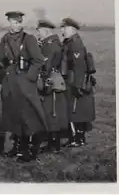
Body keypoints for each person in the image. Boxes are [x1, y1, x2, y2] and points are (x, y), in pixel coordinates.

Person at [0, 11, 47, 162]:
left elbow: (38, 60)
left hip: (24, 82)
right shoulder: (4, 39)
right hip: (10, 81)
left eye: (18, 22)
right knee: (13, 115)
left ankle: (30, 149)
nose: (16, 25)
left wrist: (29, 77)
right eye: (13, 22)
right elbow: (1, 58)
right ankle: (17, 146)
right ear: (8, 23)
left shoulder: (28, 39)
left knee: (28, 116)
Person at [60, 18, 95, 147]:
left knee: (75, 110)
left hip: (74, 80)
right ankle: (75, 137)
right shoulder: (70, 42)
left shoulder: (75, 43)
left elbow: (79, 66)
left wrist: (78, 85)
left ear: (72, 29)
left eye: (64, 28)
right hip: (71, 79)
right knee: (74, 109)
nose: (62, 30)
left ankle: (78, 138)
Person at [35, 19, 68, 153]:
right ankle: (54, 143)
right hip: (54, 79)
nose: (38, 34)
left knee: (52, 111)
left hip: (49, 80)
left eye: (39, 31)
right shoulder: (52, 43)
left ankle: (53, 145)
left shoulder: (49, 46)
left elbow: (45, 65)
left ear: (45, 31)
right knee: (53, 111)